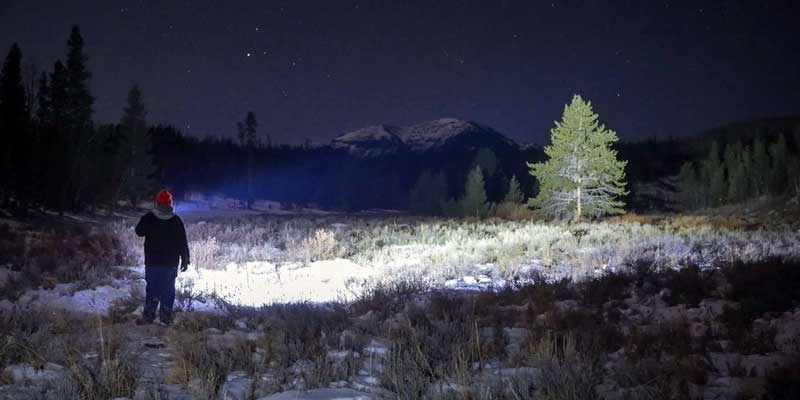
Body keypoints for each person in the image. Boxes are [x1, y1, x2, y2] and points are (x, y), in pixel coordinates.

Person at [135, 189, 190, 326]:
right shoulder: (176, 220)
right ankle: (165, 319)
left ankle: (148, 317)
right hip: (170, 264)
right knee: (168, 291)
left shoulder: (149, 217)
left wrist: (148, 217)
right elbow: (183, 242)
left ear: (157, 202)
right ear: (170, 203)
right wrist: (185, 259)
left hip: (152, 262)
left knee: (152, 289)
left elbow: (139, 232)